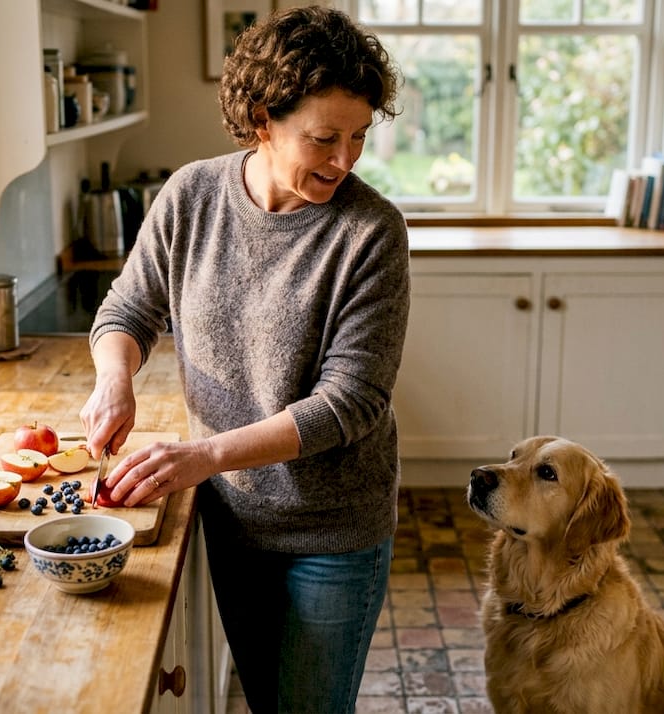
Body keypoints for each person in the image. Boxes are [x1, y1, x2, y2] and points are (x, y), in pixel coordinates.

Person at [79, 6, 408, 713]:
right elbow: (128, 309)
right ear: (262, 119)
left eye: (358, 137)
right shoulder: (193, 196)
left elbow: (350, 401)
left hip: (333, 531)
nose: (345, 160)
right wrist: (115, 378)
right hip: (233, 517)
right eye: (323, 138)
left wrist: (201, 457)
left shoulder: (372, 231)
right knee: (266, 701)